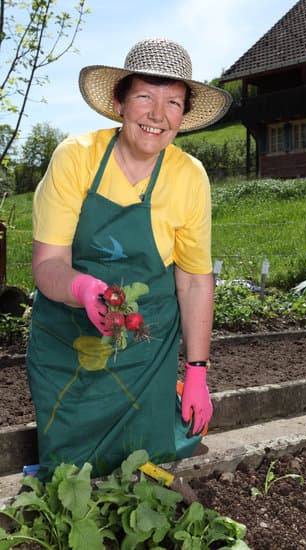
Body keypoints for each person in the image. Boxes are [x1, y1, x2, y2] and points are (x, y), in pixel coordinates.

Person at [26, 37, 232, 480]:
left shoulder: (189, 176)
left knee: (147, 458)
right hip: (68, 343)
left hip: (145, 344)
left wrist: (197, 371)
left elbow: (194, 280)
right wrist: (82, 288)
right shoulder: (77, 159)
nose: (158, 115)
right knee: (68, 472)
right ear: (120, 103)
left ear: (183, 115)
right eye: (145, 98)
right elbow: (47, 265)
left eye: (173, 103)